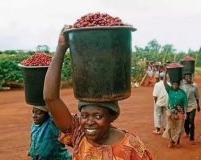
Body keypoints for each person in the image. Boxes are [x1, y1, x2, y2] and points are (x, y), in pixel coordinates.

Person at [43, 27, 154, 160]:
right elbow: (51, 99)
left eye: (97, 116)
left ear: (112, 116)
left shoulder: (131, 147)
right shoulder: (78, 133)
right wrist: (61, 48)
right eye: (84, 115)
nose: (89, 122)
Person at [162, 70, 188, 148]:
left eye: (176, 84)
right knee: (169, 127)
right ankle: (172, 140)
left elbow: (185, 104)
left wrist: (185, 113)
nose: (174, 85)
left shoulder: (183, 93)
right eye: (173, 84)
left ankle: (175, 141)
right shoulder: (169, 90)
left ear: (178, 85)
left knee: (179, 128)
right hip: (170, 111)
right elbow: (164, 82)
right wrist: (166, 72)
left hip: (180, 112)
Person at [181, 73, 200, 145]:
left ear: (191, 77)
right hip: (185, 106)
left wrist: (198, 106)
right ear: (184, 78)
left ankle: (192, 138)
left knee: (192, 122)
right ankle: (187, 132)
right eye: (187, 77)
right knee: (186, 121)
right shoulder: (182, 85)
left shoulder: (195, 86)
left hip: (193, 106)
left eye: (189, 77)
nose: (188, 78)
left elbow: (197, 96)